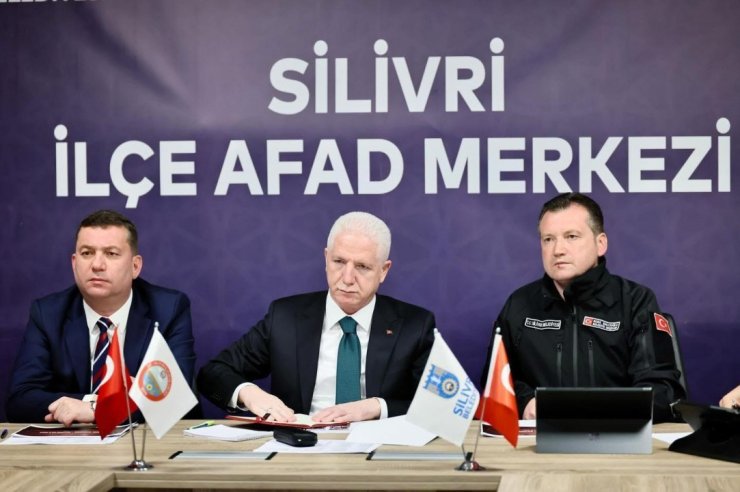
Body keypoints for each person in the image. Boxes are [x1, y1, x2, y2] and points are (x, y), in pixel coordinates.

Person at [198, 211, 436, 423]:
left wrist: (375, 408)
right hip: (300, 446)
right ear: (326, 259)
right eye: (339, 262)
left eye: (362, 266)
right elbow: (212, 374)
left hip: (379, 448)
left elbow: (438, 404)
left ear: (383, 270)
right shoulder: (286, 317)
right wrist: (249, 394)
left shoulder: (414, 325)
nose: (347, 278)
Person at [484, 193, 686, 423]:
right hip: (538, 438)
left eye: (571, 236)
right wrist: (526, 402)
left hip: (616, 436)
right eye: (548, 239)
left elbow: (662, 389)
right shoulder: (519, 303)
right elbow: (494, 380)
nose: (558, 249)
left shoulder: (635, 300)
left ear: (601, 244)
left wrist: (599, 412)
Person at [6, 210, 196, 425]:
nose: (97, 264)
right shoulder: (48, 313)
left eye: (111, 253)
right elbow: (21, 399)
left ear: (135, 266)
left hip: (145, 442)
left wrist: (96, 409)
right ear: (74, 263)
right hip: (73, 443)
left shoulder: (168, 309)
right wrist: (91, 403)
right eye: (87, 253)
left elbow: (173, 399)